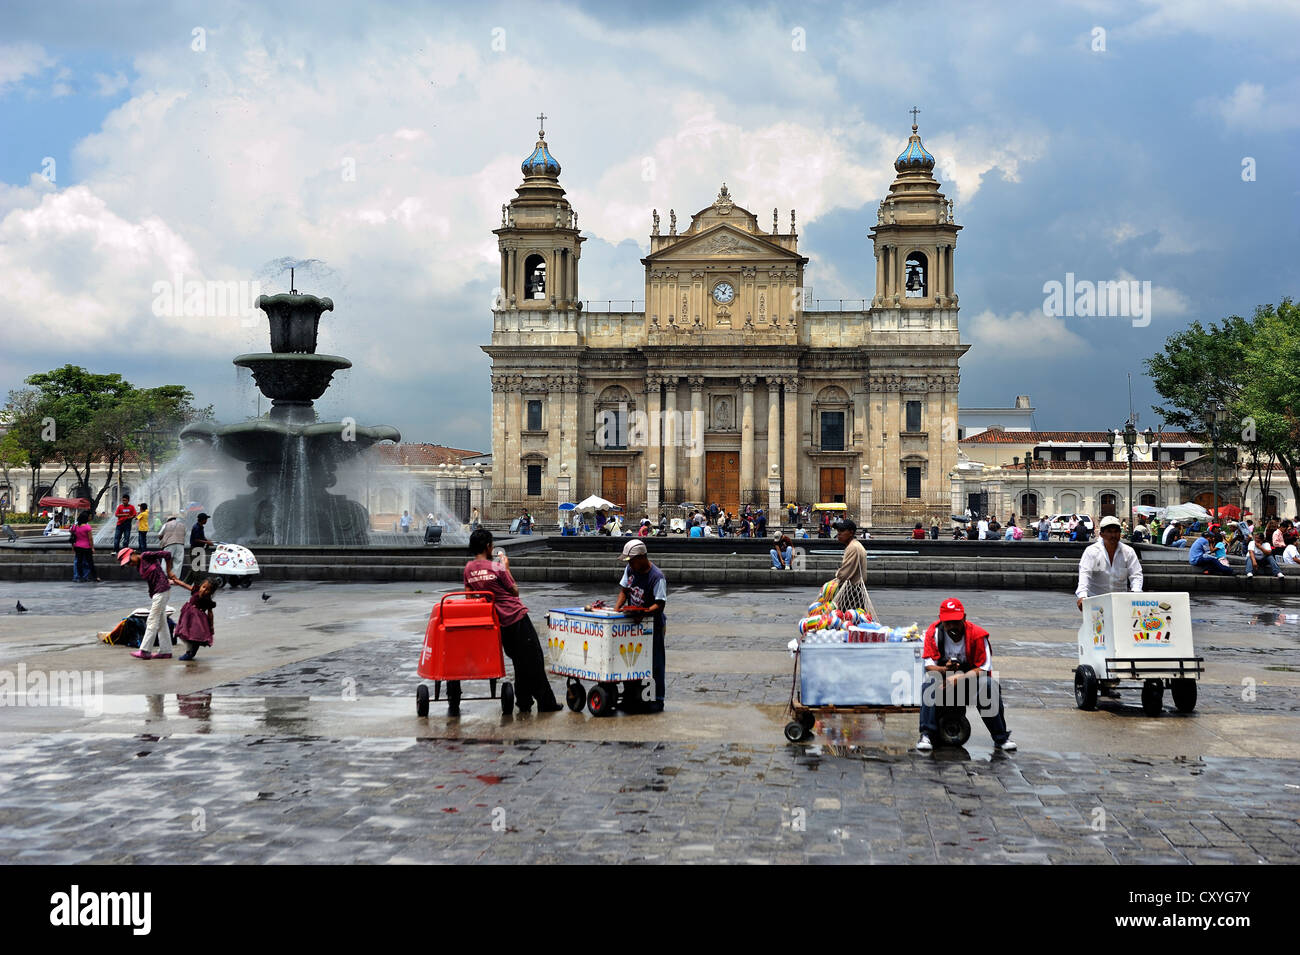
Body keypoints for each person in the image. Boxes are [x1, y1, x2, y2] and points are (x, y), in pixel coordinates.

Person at [463, 529, 561, 715]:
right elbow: (514, 591)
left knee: (519, 660)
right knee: (534, 659)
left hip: (497, 622)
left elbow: (470, 597)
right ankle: (545, 703)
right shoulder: (497, 568)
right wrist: (506, 567)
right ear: (487, 546)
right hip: (515, 616)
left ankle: (524, 702)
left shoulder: (468, 569)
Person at [916, 598, 1016, 752]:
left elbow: (984, 668)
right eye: (947, 622)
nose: (952, 626)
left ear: (964, 617)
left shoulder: (977, 635)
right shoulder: (933, 633)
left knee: (989, 686)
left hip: (971, 683)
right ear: (941, 620)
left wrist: (960, 677)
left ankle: (1001, 738)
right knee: (928, 686)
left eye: (956, 621)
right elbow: (929, 666)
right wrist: (945, 669)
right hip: (944, 683)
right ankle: (926, 735)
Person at [614, 539, 667, 712]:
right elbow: (624, 591)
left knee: (654, 663)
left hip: (653, 624)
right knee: (631, 660)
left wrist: (643, 612)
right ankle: (631, 697)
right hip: (633, 623)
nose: (630, 564)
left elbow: (659, 605)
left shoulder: (657, 577)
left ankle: (657, 700)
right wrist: (616, 611)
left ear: (642, 557)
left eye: (632, 560)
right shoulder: (630, 569)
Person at [1075, 515, 1144, 610]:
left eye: (1116, 532)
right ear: (1101, 534)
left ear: (1120, 533)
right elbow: (1085, 574)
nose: (1113, 535)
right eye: (1109, 532)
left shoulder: (1128, 551)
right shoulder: (1091, 551)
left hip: (1120, 602)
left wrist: (1136, 593)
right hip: (1096, 601)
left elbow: (1136, 575)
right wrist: (1082, 595)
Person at [120, 546, 177, 660]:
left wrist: (169, 571)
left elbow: (167, 554)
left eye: (130, 561)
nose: (130, 564)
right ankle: (166, 651)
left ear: (133, 553)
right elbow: (151, 581)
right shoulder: (138, 567)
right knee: (161, 623)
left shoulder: (146, 555)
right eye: (127, 564)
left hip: (162, 590)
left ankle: (145, 651)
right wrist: (151, 593)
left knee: (152, 621)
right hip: (157, 593)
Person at [170, 577, 216, 661]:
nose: (204, 590)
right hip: (187, 616)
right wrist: (175, 581)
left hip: (198, 619)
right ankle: (190, 651)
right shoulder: (196, 590)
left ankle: (190, 653)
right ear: (200, 586)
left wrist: (211, 625)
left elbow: (210, 613)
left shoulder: (208, 600)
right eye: (204, 587)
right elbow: (184, 585)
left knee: (195, 636)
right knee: (183, 632)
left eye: (208, 589)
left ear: (211, 592)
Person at [70, 511, 100, 582]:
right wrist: (92, 547)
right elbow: (90, 539)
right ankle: (95, 577)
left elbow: (72, 536)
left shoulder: (75, 527)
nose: (90, 517)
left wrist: (73, 546)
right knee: (90, 562)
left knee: (79, 562)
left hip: (77, 546)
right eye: (89, 517)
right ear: (85, 518)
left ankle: (80, 577)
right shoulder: (87, 527)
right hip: (86, 547)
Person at [185, 512, 214, 582]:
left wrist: (207, 541)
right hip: (195, 549)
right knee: (196, 567)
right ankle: (197, 583)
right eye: (206, 519)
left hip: (198, 549)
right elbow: (196, 540)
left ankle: (186, 582)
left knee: (195, 566)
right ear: (202, 519)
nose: (206, 521)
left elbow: (202, 538)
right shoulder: (196, 527)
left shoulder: (200, 527)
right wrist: (207, 542)